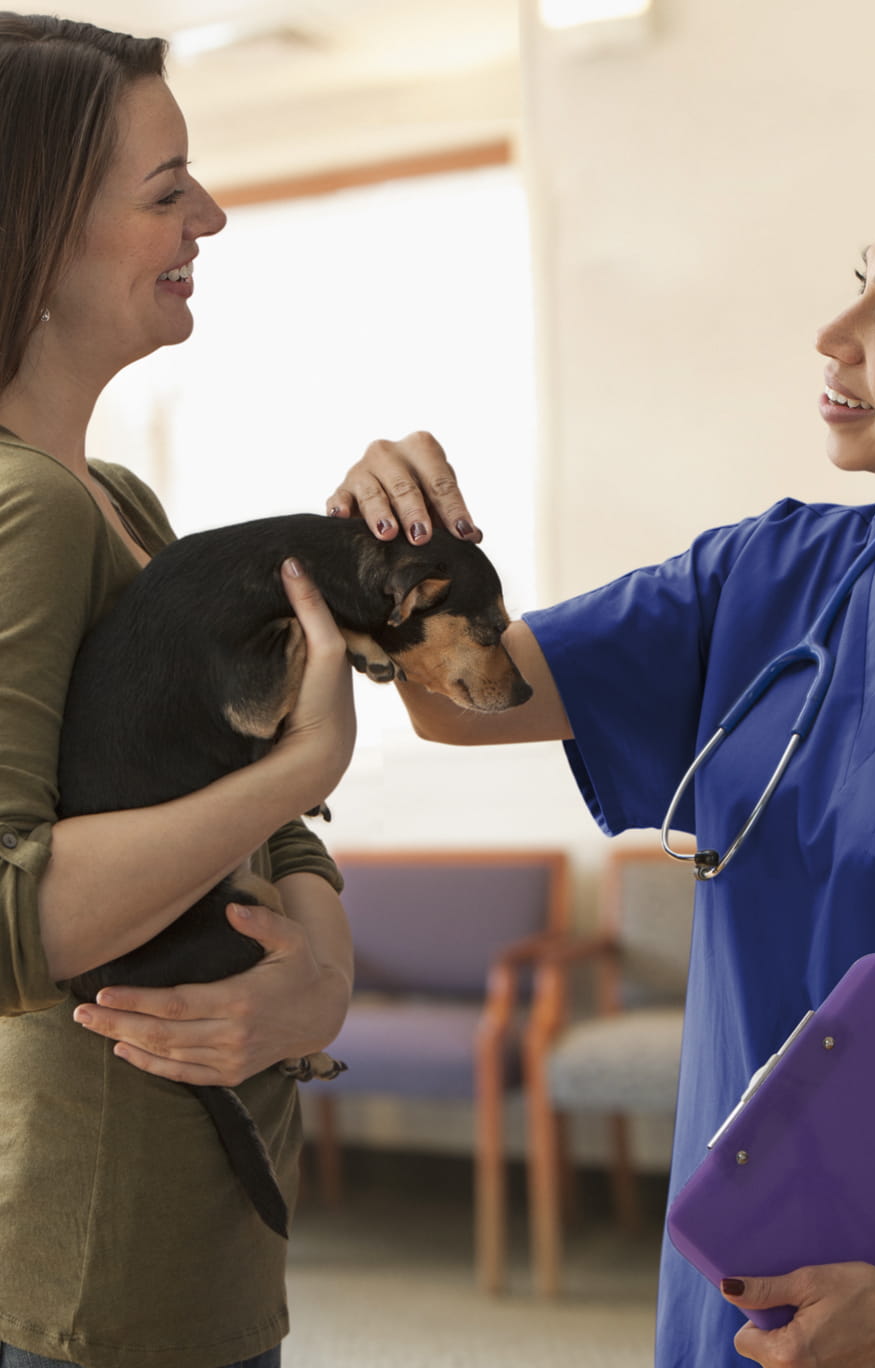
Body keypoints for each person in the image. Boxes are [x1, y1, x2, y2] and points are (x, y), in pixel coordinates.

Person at [327, 161, 875, 1366]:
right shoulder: (764, 581)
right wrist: (376, 551)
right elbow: (463, 705)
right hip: (732, 1299)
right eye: (856, 287)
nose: (831, 337)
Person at [0, 15, 357, 1368]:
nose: (208, 215)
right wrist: (301, 763)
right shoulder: (29, 512)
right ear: (34, 231)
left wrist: (318, 980)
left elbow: (257, 825)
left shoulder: (118, 502)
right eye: (166, 192)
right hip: (82, 1278)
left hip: (191, 1247)